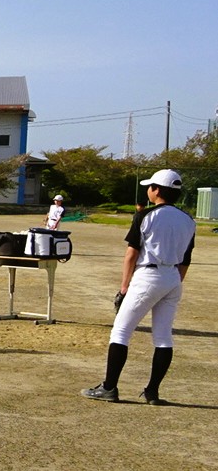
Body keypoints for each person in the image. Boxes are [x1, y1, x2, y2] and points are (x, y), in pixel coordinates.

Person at [81, 169, 195, 405]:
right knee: (163, 337)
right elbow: (185, 260)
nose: (148, 190)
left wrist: (124, 287)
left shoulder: (146, 216)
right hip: (173, 276)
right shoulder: (188, 220)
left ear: (157, 190)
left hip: (148, 274)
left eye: (150, 186)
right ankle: (152, 392)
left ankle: (109, 388)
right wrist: (171, 283)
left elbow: (131, 254)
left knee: (121, 332)